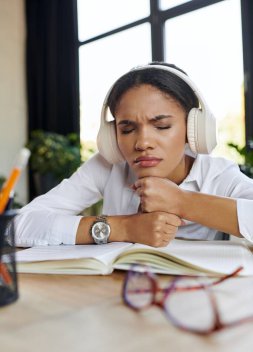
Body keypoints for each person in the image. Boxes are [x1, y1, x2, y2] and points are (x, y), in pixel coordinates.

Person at [15, 62, 253, 247]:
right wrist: (123, 228)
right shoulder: (108, 166)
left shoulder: (218, 175)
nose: (142, 143)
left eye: (161, 126)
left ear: (194, 128)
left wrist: (182, 201)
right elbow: (17, 226)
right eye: (127, 129)